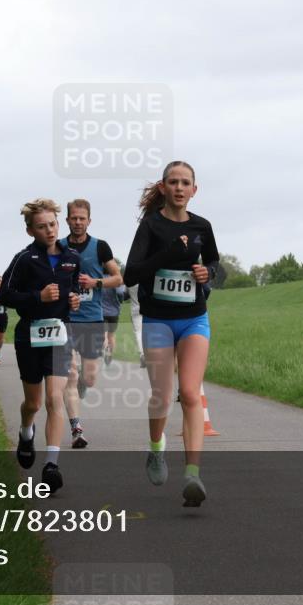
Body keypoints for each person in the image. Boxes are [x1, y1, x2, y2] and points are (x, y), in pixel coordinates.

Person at [123, 160, 219, 507]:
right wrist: (168, 253)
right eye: (173, 182)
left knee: (191, 393)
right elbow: (131, 273)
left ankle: (192, 474)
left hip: (194, 319)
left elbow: (215, 267)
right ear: (163, 188)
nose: (179, 188)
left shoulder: (202, 227)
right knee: (162, 395)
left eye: (186, 182)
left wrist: (206, 273)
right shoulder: (151, 226)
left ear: (195, 190)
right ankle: (156, 449)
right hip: (159, 320)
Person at [0, 198, 80, 493]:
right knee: (33, 403)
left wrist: (73, 300)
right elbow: (5, 295)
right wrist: (37, 297)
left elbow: (73, 292)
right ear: (30, 231)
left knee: (54, 399)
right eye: (42, 226)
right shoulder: (23, 259)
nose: (49, 230)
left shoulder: (71, 258)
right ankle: (25, 431)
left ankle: (51, 464)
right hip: (29, 337)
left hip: (59, 336)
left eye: (53, 225)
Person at [59, 199, 122, 449]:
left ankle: (80, 389)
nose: (77, 222)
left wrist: (95, 283)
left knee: (90, 377)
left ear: (89, 221)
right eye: (73, 218)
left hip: (92, 319)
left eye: (82, 218)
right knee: (70, 374)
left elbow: (118, 278)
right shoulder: (58, 246)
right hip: (65, 319)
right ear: (67, 220)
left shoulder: (100, 247)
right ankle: (77, 428)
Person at [101, 285, 125, 365]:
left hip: (101, 311)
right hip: (114, 312)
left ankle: (105, 348)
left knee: (103, 333)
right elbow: (120, 292)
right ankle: (109, 353)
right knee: (111, 334)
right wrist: (121, 300)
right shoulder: (115, 278)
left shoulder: (99, 277)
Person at [129, 284, 146, 368]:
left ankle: (142, 354)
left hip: (135, 309)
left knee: (138, 332)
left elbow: (124, 294)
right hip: (147, 308)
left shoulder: (131, 283)